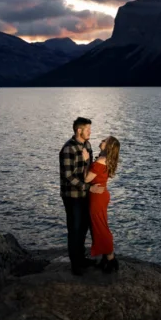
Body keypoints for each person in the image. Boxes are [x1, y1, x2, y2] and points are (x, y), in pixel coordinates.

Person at [59, 117, 105, 276]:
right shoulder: (68, 149)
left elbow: (87, 170)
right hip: (72, 196)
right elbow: (68, 176)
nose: (90, 132)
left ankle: (81, 258)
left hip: (85, 194)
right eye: (88, 129)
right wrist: (89, 188)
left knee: (84, 226)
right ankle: (75, 265)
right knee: (75, 228)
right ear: (79, 130)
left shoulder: (87, 145)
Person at [84, 136, 121, 273]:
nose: (102, 141)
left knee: (100, 226)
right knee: (100, 225)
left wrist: (86, 160)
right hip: (101, 194)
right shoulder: (106, 160)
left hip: (97, 197)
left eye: (105, 141)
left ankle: (110, 258)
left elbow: (87, 178)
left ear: (109, 146)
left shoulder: (100, 161)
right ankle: (107, 258)